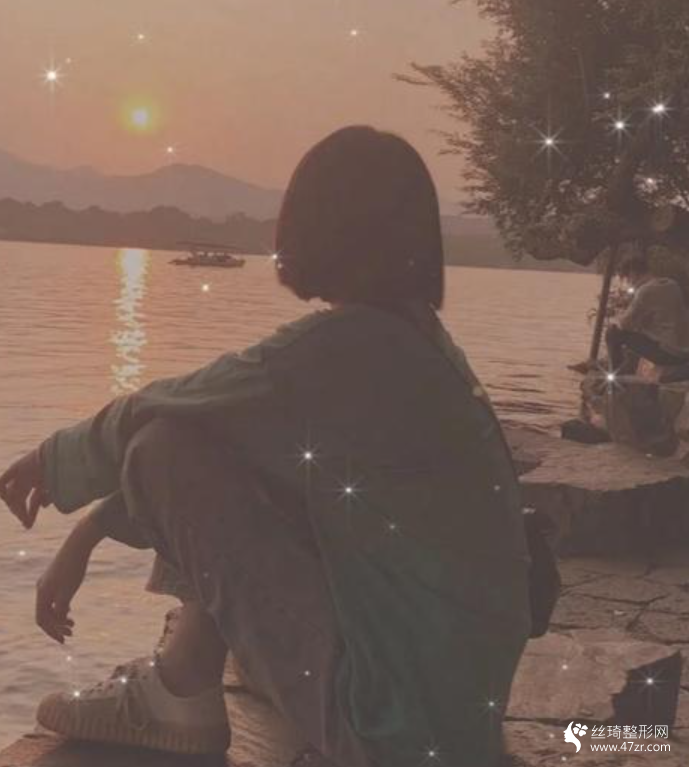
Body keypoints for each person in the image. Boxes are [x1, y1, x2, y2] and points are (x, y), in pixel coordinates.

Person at [0, 126, 531, 767]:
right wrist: (90, 530)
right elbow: (237, 439)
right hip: (453, 718)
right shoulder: (423, 347)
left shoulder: (342, 350)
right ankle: (192, 671)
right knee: (244, 443)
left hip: (388, 728)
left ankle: (179, 692)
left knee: (161, 448)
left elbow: (165, 413)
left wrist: (52, 466)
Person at [606, 254, 689, 375]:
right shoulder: (672, 284)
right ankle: (627, 369)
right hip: (685, 351)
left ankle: (615, 375)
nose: (628, 283)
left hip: (670, 354)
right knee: (636, 335)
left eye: (627, 278)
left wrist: (617, 315)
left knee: (613, 332)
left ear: (633, 273)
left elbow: (624, 325)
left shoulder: (645, 291)